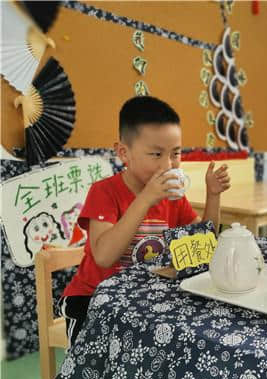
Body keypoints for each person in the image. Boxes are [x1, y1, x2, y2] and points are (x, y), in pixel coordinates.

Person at [60, 96, 231, 347]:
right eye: (156, 154)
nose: (168, 164)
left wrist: (213, 196)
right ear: (123, 153)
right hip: (93, 299)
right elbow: (104, 256)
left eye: (176, 153)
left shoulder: (173, 197)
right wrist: (146, 199)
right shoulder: (104, 192)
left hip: (142, 299)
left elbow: (201, 247)